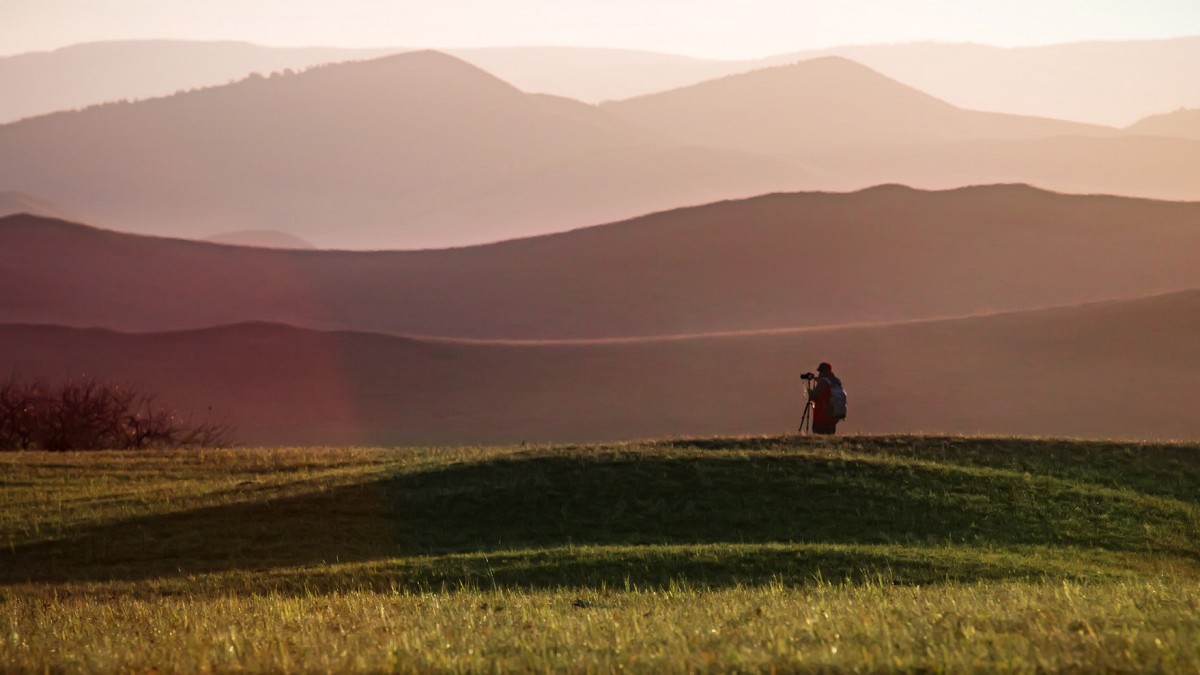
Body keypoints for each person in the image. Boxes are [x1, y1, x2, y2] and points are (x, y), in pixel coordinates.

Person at [807, 362, 844, 435]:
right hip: (832, 417)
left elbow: (816, 397)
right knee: (830, 439)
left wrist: (810, 393)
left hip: (821, 417)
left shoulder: (823, 382)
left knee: (819, 439)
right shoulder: (835, 380)